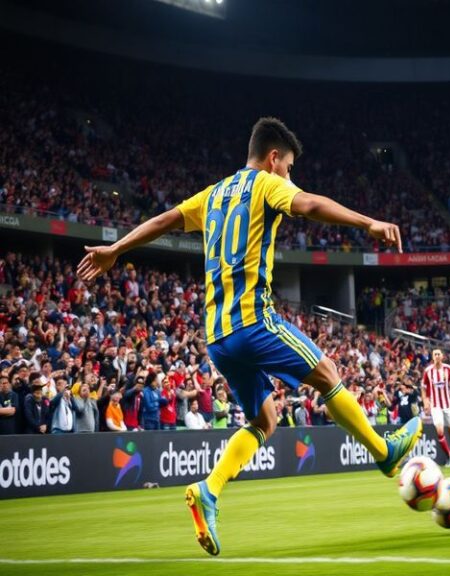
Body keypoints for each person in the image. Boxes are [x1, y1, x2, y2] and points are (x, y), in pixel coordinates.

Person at [76, 117, 422, 556]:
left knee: (265, 420)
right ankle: (384, 453)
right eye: (289, 168)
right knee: (327, 372)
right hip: (253, 321)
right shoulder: (265, 183)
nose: (290, 177)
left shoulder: (213, 194)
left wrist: (116, 249)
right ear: (274, 158)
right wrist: (367, 222)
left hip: (218, 337)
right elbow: (310, 204)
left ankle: (209, 489)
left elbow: (164, 220)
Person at [422, 349, 450, 467]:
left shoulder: (448, 369)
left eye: (438, 354)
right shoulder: (428, 371)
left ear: (442, 356)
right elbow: (423, 387)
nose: (437, 356)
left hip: (447, 404)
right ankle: (449, 456)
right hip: (435, 405)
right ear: (432, 357)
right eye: (435, 354)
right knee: (439, 430)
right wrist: (425, 401)